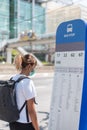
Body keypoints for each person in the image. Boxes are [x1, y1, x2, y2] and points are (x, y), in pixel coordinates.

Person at [9, 54, 40, 130]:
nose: (33, 70)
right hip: (25, 125)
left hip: (13, 122)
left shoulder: (13, 79)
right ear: (29, 66)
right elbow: (31, 110)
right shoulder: (27, 82)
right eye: (33, 67)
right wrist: (37, 128)